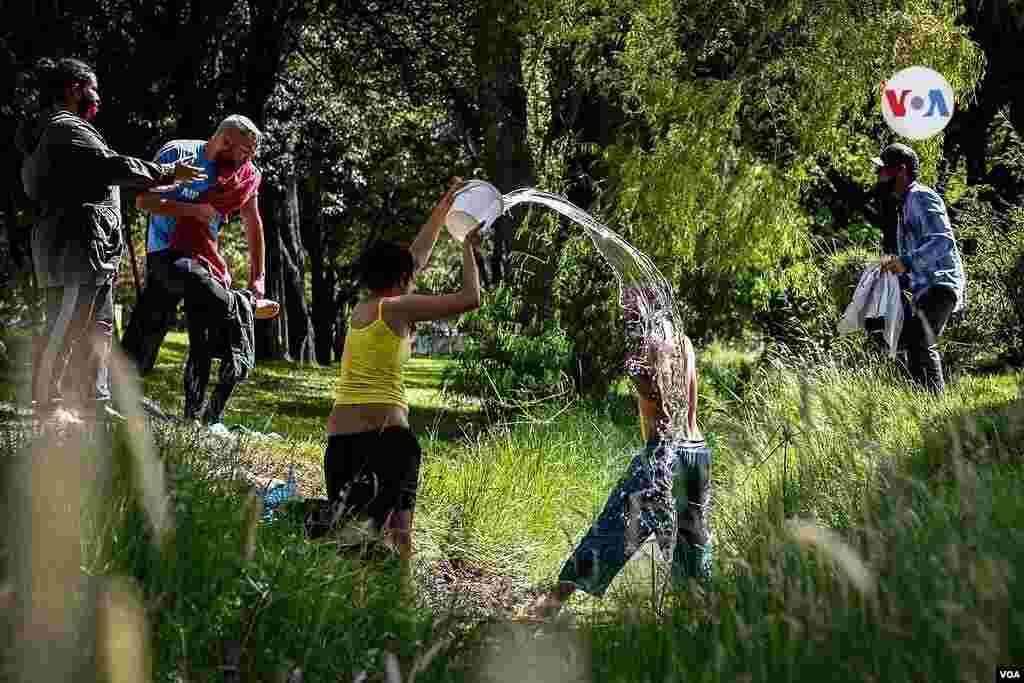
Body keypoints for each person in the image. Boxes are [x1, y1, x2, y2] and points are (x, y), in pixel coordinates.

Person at [14, 57, 206, 420]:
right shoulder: (64, 127)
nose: (97, 99)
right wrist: (167, 172)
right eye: (93, 90)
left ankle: (96, 402)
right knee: (65, 324)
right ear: (73, 88)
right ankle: (47, 402)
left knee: (100, 329)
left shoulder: (61, 129)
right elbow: (114, 166)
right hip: (73, 246)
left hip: (93, 248)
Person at [323, 177, 480, 574]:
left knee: (351, 546)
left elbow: (416, 256)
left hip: (340, 442)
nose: (416, 273)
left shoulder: (365, 309)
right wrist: (467, 248)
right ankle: (402, 607)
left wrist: (444, 206)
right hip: (387, 442)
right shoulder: (396, 308)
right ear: (400, 280)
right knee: (398, 539)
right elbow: (470, 300)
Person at [528, 287, 713, 618]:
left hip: (663, 458)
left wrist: (641, 375)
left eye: (630, 303)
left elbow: (665, 401)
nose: (624, 308)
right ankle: (703, 624)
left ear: (648, 304)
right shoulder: (684, 342)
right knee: (691, 551)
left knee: (610, 529)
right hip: (696, 454)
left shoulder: (655, 344)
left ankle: (549, 606)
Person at [124, 115, 277, 425]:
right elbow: (144, 201)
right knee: (161, 317)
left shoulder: (241, 173)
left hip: (205, 258)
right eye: (244, 152)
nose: (248, 161)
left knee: (199, 335)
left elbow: (253, 224)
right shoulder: (177, 154)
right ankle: (241, 305)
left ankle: (198, 419)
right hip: (166, 254)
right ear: (225, 142)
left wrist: (258, 278)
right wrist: (194, 210)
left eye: (252, 154)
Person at [874, 143, 966, 394]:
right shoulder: (905, 205)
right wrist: (893, 268)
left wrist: (907, 262)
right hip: (926, 288)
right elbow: (912, 257)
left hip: (940, 283)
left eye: (883, 171)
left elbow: (942, 240)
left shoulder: (920, 196)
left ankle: (935, 407)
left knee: (920, 341)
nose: (879, 178)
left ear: (900, 171)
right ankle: (921, 401)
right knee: (907, 341)